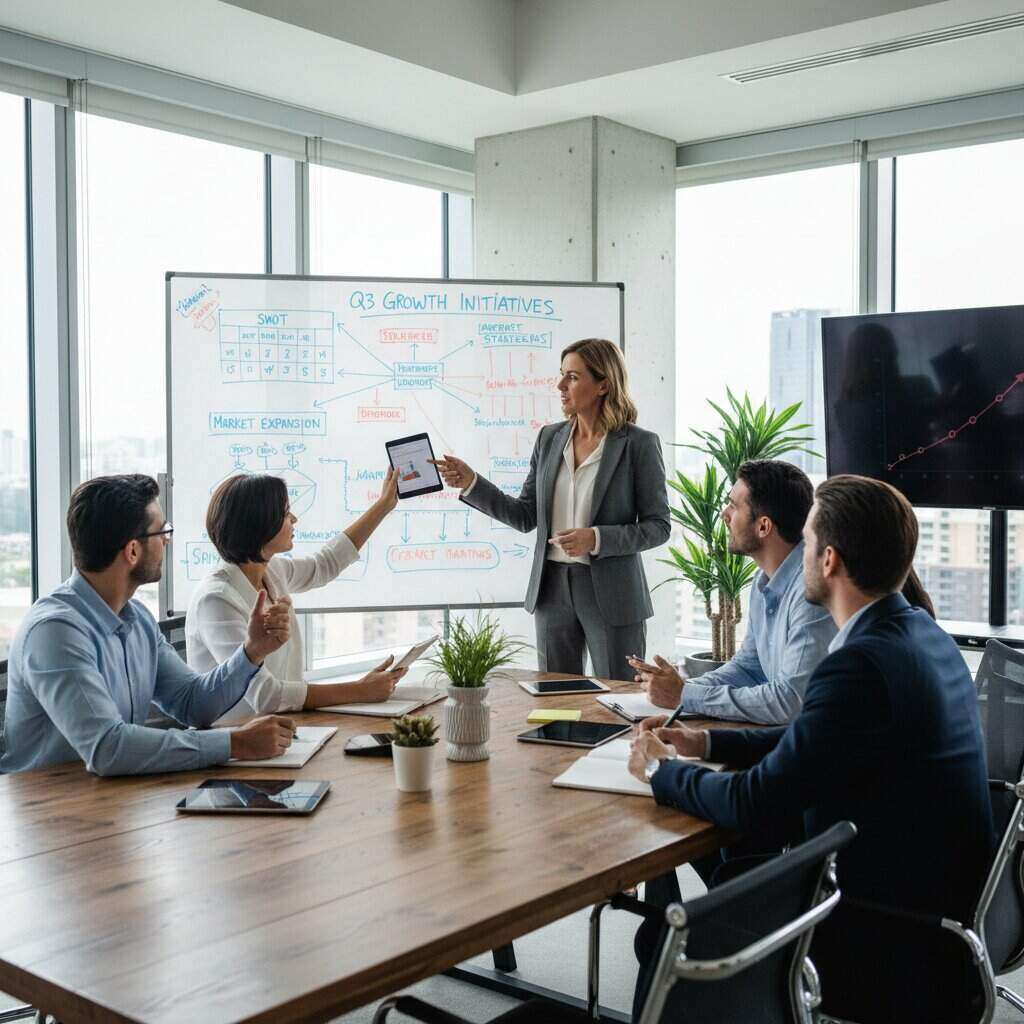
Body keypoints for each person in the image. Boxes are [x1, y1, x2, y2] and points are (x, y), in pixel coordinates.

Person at [629, 474, 994, 1023]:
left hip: (886, 937)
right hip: (934, 915)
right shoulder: (919, 633)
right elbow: (819, 738)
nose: (797, 553)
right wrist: (705, 740)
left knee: (663, 940)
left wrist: (662, 772)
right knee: (725, 874)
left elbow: (755, 801)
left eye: (807, 539)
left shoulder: (859, 665)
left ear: (829, 560)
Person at [1, 475, 296, 776]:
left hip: (115, 794)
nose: (167, 540)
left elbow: (192, 703)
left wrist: (251, 652)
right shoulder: (55, 632)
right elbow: (107, 748)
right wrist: (235, 744)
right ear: (132, 551)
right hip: (50, 801)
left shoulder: (137, 619)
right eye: (163, 531)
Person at [433, 339, 670, 681]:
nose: (560, 385)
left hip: (613, 594)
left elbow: (659, 526)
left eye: (572, 377)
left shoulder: (639, 444)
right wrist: (472, 483)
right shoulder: (549, 438)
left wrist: (596, 538)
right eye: (562, 375)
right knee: (557, 698)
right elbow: (525, 515)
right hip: (551, 589)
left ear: (603, 385)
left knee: (619, 695)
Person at [186, 469, 408, 724]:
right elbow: (265, 695)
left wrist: (383, 506)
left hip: (283, 727)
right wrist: (360, 690)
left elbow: (325, 564)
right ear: (260, 524)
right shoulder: (215, 600)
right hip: (234, 739)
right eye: (285, 513)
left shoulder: (272, 569)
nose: (294, 519)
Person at [629, 459, 836, 724]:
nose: (724, 514)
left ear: (763, 526)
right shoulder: (764, 581)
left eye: (734, 506)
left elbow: (790, 701)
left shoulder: (811, 592)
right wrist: (680, 687)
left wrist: (684, 695)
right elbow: (749, 668)